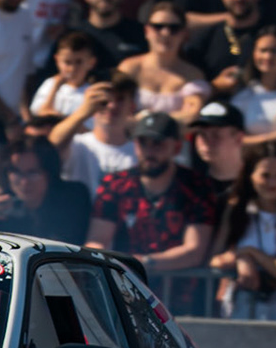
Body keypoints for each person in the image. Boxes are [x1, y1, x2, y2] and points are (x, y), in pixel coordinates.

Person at [84, 110, 216, 273]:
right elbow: (97, 239)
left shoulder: (197, 186)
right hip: (126, 284)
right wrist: (102, 260)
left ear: (176, 147)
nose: (149, 151)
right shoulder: (116, 184)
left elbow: (194, 251)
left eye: (158, 143)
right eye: (143, 143)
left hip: (176, 287)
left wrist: (142, 263)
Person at [208, 141, 276, 320]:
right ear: (250, 175)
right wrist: (240, 259)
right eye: (265, 175)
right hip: (239, 310)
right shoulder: (236, 209)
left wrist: (251, 253)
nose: (273, 183)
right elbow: (214, 260)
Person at [0, 134, 88, 243]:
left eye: (32, 173)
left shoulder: (73, 197)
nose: (24, 182)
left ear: (49, 173)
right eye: (16, 172)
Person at [120, 0, 209, 124]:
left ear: (184, 34)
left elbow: (192, 114)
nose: (166, 33)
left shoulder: (193, 75)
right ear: (146, 31)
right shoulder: (129, 68)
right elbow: (115, 109)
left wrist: (146, 120)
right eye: (158, 27)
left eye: (174, 28)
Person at [52, 72, 138, 194]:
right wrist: (83, 111)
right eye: (104, 100)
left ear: (132, 106)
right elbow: (52, 145)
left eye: (120, 99)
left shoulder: (140, 151)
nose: (112, 105)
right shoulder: (77, 144)